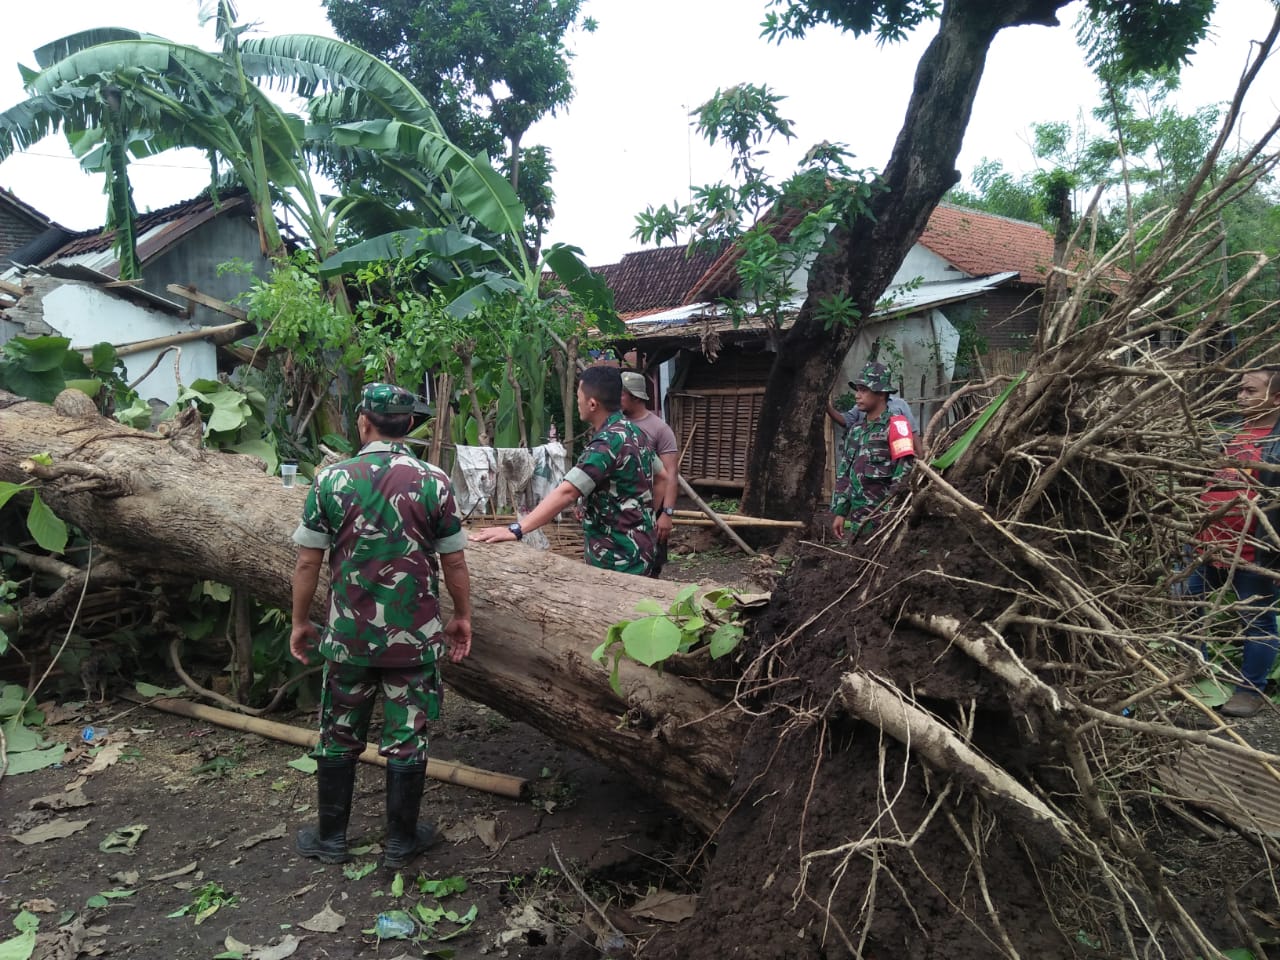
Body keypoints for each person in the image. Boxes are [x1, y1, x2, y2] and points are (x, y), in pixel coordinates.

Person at [290, 382, 473, 869]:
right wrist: (462, 617)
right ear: (409, 425)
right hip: (413, 641)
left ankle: (331, 838)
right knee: (407, 736)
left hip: (349, 638)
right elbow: (454, 564)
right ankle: (400, 842)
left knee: (338, 732)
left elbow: (308, 563)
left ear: (363, 423)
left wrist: (300, 622)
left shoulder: (331, 480)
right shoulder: (434, 481)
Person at [471, 365, 665, 575]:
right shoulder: (635, 432)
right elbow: (662, 476)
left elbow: (567, 492)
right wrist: (642, 517)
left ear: (592, 404)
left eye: (579, 396)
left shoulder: (607, 444)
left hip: (617, 558)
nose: (577, 401)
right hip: (642, 548)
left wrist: (516, 530)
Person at [1184, 368, 1280, 719]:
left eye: (1249, 390)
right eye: (1239, 389)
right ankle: (1196, 672)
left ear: (1276, 398)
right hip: (1207, 544)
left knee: (1256, 620)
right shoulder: (1226, 432)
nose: (1240, 396)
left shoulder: (1277, 442)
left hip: (1254, 551)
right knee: (1187, 603)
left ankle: (1250, 691)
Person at [829, 361, 916, 541]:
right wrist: (841, 512)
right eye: (857, 390)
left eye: (864, 390)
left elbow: (904, 471)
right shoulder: (856, 431)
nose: (857, 396)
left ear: (881, 394)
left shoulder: (897, 426)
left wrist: (891, 512)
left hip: (885, 521)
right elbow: (846, 473)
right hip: (858, 522)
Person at [620, 370, 679, 578]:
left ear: (635, 397)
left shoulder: (659, 429)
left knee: (651, 565)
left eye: (621, 394)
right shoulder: (614, 425)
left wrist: (666, 513)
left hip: (652, 507)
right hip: (622, 508)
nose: (617, 399)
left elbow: (671, 473)